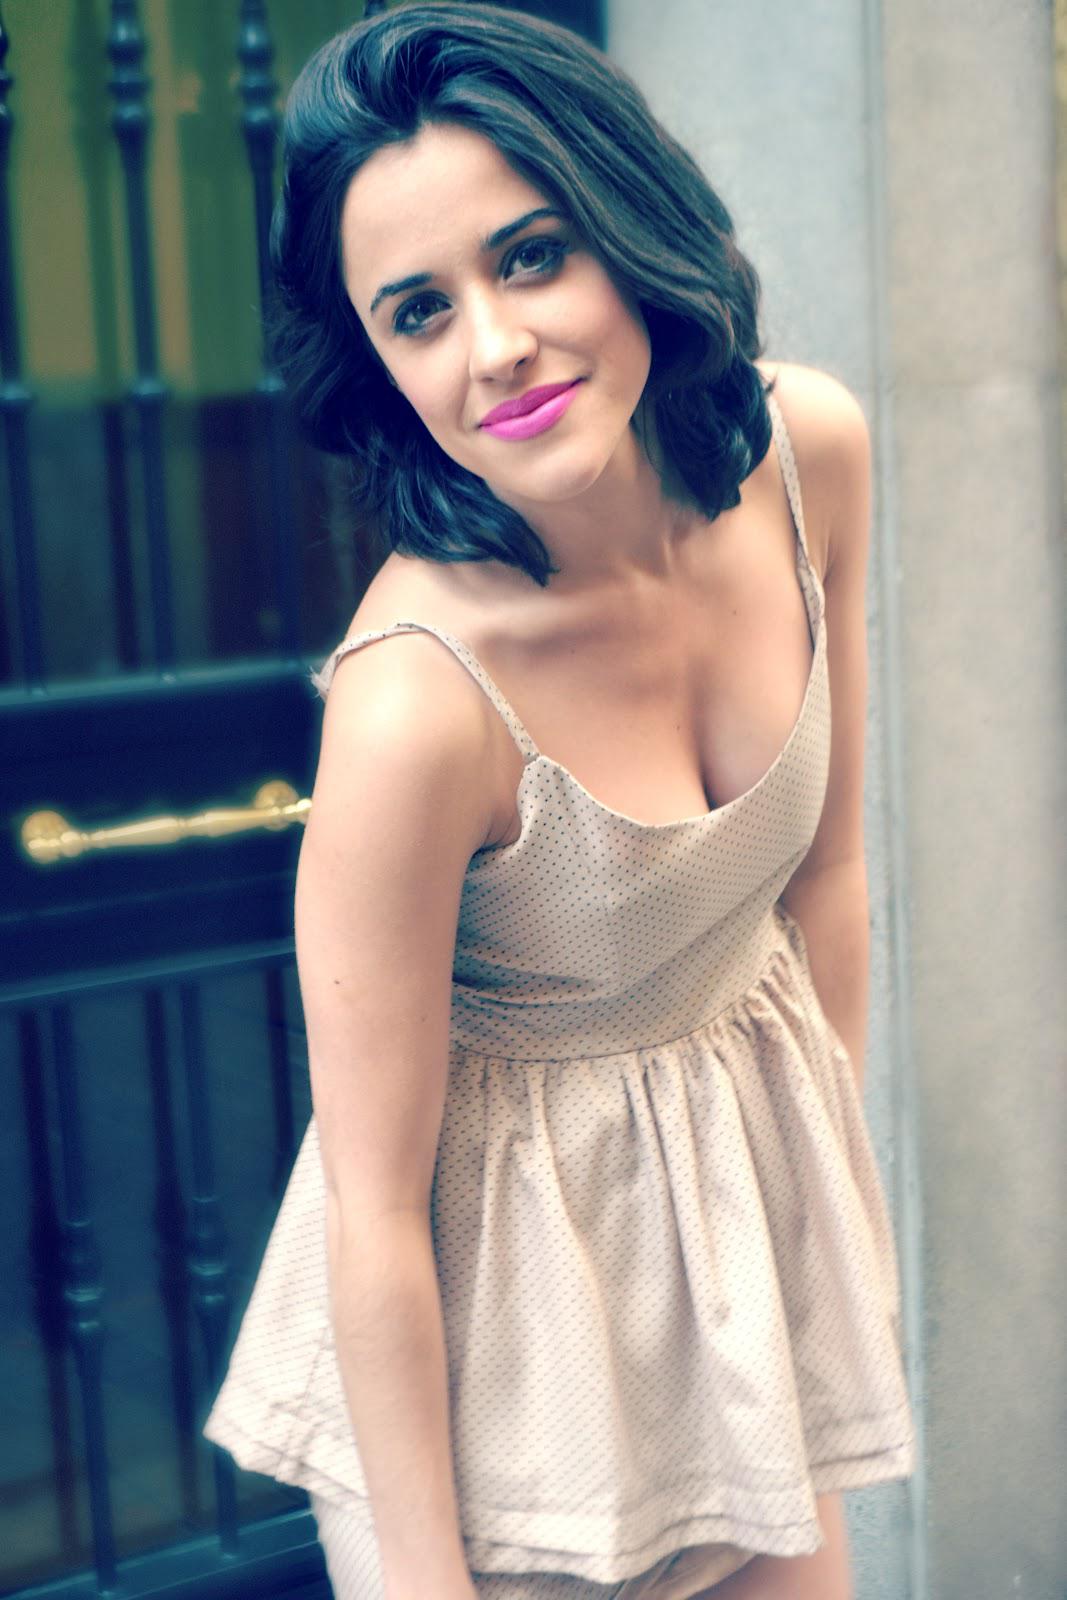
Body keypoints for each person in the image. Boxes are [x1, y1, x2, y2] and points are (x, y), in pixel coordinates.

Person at [202, 4, 916, 1597]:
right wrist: (428, 1579)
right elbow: (374, 1206)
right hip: (490, 1360)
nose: (495, 348)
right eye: (419, 313)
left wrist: (819, 1239)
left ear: (627, 222)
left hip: (731, 1270)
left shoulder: (808, 457)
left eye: (531, 257)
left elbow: (827, 881)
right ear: (379, 366)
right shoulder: (416, 707)